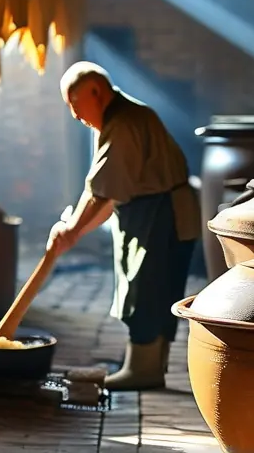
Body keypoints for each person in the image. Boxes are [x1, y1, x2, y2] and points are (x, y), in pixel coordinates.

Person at [46, 61, 201, 391]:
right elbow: (98, 188)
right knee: (151, 288)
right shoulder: (119, 118)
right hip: (157, 211)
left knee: (147, 290)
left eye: (75, 104)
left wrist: (73, 233)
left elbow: (105, 191)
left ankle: (143, 369)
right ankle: (149, 366)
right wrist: (72, 226)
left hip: (161, 214)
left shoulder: (126, 121)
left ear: (95, 92)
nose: (74, 115)